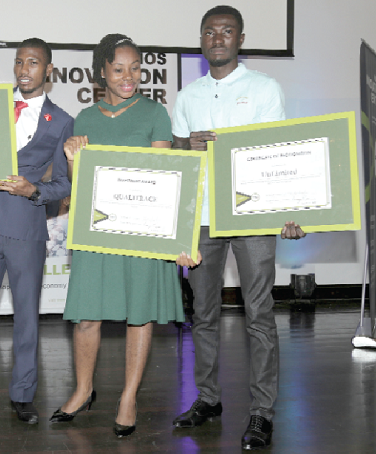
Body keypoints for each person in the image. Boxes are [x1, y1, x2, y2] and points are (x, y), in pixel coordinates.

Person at [50, 33, 199, 438]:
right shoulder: (85, 120)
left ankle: (128, 397)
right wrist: (71, 158)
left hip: (142, 234)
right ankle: (83, 390)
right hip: (98, 232)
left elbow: (167, 178)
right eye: (119, 69)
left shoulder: (155, 113)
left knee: (139, 315)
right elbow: (79, 188)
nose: (128, 76)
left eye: (135, 68)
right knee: (85, 316)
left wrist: (178, 238)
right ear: (102, 72)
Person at [170, 5, 305, 451]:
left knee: (259, 315)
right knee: (203, 315)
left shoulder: (265, 89)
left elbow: (277, 154)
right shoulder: (187, 96)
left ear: (240, 38)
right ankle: (208, 399)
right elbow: (177, 161)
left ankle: (262, 412)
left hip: (253, 217)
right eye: (210, 31)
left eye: (227, 31)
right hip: (205, 219)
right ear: (202, 39)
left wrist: (288, 209)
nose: (218, 38)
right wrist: (184, 145)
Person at [0, 38, 73, 426]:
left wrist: (34, 189)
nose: (24, 69)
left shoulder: (63, 121)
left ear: (48, 71)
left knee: (27, 317)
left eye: (33, 63)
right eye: (19, 61)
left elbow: (66, 185)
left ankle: (23, 394)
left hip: (26, 227)